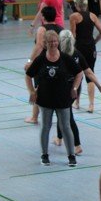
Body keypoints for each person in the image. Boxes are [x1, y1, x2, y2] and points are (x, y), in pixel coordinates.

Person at [25, 30, 83, 166]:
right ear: (45, 43)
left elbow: (79, 73)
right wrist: (32, 91)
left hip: (63, 99)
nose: (53, 44)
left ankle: (71, 156)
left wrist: (74, 88)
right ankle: (44, 155)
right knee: (45, 126)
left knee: (66, 127)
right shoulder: (40, 59)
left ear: (58, 42)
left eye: (55, 41)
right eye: (50, 42)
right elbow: (28, 75)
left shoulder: (65, 58)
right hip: (45, 99)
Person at [54, 30, 101, 155]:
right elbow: (88, 72)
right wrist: (99, 86)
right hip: (75, 89)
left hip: (65, 90)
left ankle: (77, 145)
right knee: (61, 112)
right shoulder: (77, 53)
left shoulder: (58, 54)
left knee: (67, 115)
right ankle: (59, 138)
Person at [25, 6, 63, 125]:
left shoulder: (42, 29)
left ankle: (34, 117)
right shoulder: (61, 29)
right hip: (58, 61)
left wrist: (30, 60)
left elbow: (39, 46)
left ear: (43, 17)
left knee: (38, 89)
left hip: (44, 62)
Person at [70, 0, 101, 112]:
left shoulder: (74, 16)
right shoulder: (92, 16)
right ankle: (91, 105)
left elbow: (73, 35)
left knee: (78, 74)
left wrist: (70, 48)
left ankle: (77, 102)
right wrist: (94, 41)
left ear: (76, 5)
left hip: (79, 48)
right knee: (90, 74)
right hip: (91, 48)